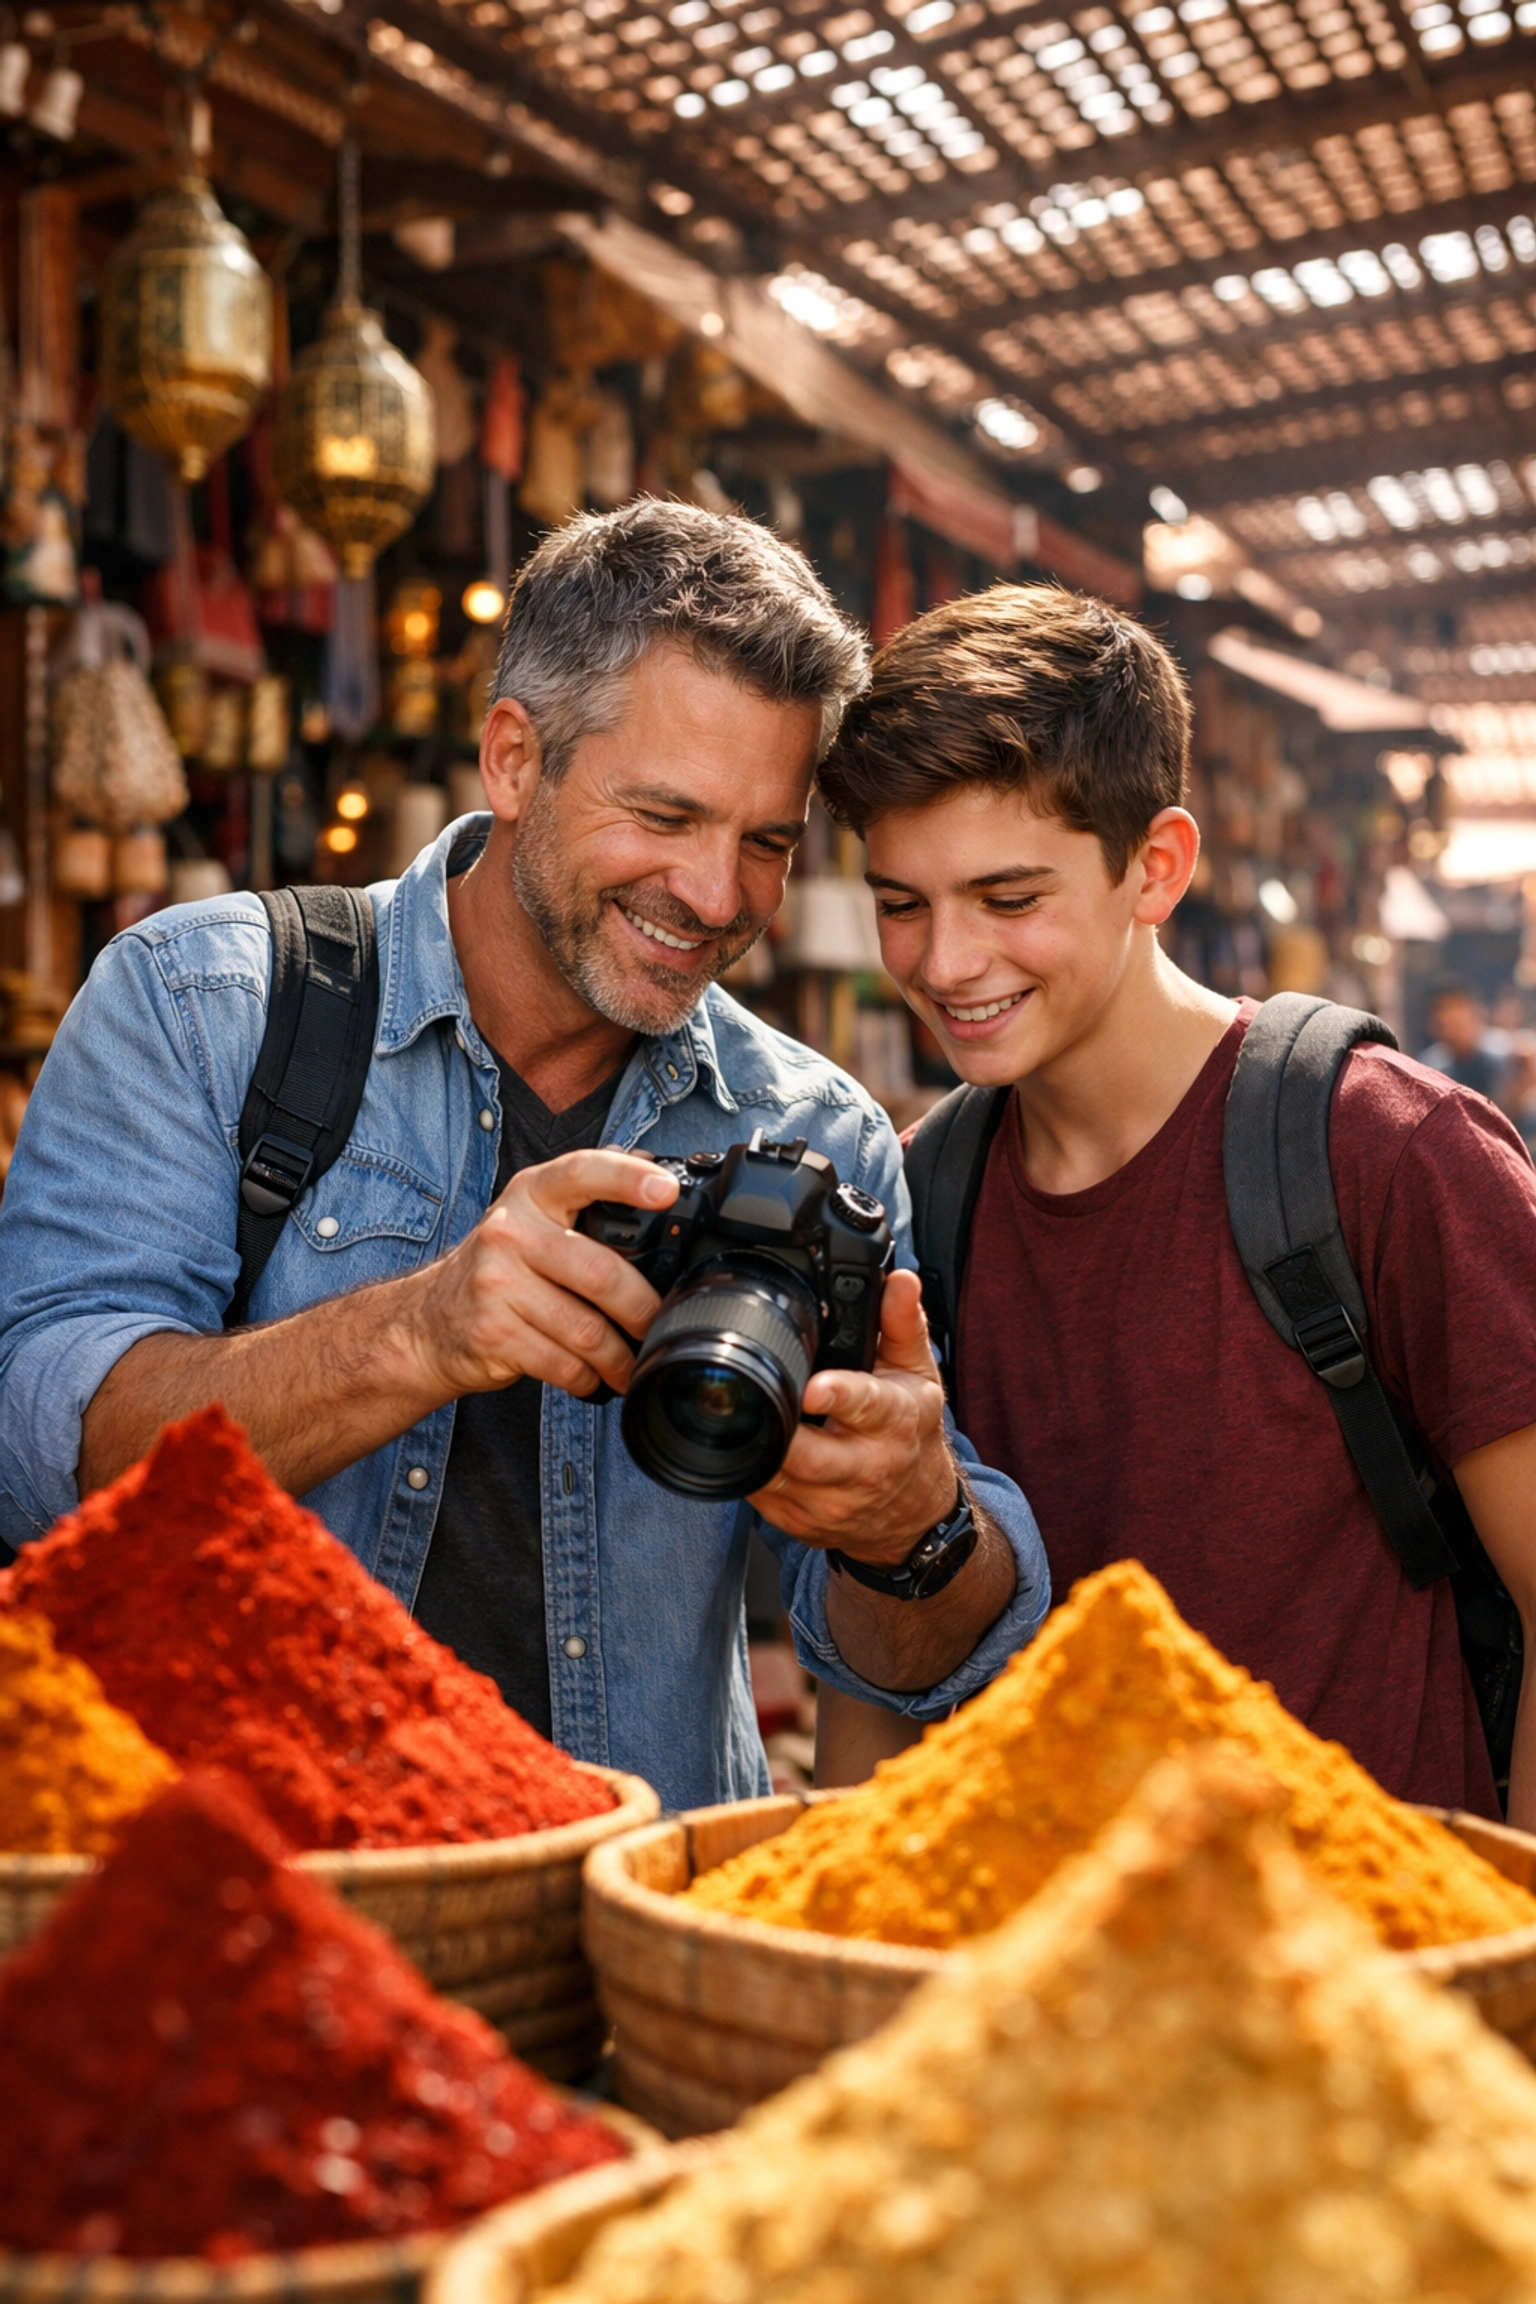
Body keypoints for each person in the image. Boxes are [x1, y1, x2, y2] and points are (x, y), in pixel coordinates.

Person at [0, 503, 1047, 1811]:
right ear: (513, 760)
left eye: (766, 842)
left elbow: (889, 1665)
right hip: (248, 1923)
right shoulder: (201, 1006)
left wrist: (914, 1527)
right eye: (664, 814)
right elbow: (42, 1454)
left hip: (625, 1945)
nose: (719, 897)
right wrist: (420, 1330)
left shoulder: (816, 1141)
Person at [817, 582, 1536, 1826]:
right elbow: (879, 1675)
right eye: (901, 904)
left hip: (1365, 1974)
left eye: (1009, 898)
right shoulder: (925, 1191)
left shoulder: (1390, 1154)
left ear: (1155, 868)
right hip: (1048, 1982)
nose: (944, 963)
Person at [1420, 980, 1502, 1103]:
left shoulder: (1505, 1055)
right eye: (1440, 1010)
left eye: (1457, 1007)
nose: (1447, 1017)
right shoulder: (1431, 1068)